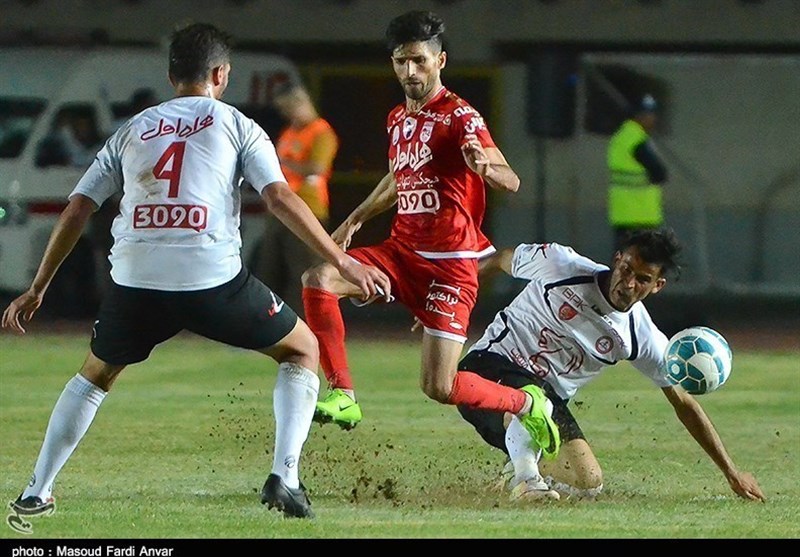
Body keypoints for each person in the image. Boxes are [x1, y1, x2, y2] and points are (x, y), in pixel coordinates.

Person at [1, 22, 390, 520]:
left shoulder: (134, 128)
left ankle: (37, 490)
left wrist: (37, 287)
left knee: (95, 375)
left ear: (171, 77)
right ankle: (285, 479)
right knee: (302, 348)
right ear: (221, 74)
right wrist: (342, 260)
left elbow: (78, 207)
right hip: (211, 281)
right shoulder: (237, 124)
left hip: (136, 280)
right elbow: (278, 197)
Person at [300, 10, 559, 460]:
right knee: (319, 279)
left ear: (440, 61)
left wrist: (485, 167)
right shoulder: (397, 118)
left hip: (450, 268)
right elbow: (398, 179)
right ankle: (343, 394)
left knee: (439, 386)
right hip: (401, 254)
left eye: (419, 60)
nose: (410, 71)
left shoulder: (461, 116)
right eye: (401, 61)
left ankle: (526, 402)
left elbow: (511, 179)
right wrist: (354, 220)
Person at [456, 228, 766, 502]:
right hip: (489, 368)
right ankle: (527, 481)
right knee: (533, 405)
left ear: (657, 285)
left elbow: (684, 404)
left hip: (546, 402)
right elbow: (501, 259)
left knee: (588, 483)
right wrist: (452, 297)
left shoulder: (640, 335)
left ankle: (520, 460)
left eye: (642, 279)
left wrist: (731, 472)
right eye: (626, 269)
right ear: (617, 259)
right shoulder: (562, 265)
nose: (628, 283)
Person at [252, 82, 339, 315]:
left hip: (307, 210)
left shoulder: (321, 132)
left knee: (302, 271)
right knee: (268, 269)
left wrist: (281, 163)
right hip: (280, 211)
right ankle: (266, 321)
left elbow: (318, 168)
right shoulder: (289, 132)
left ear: (300, 103)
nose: (285, 114)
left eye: (287, 108)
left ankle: (302, 324)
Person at [607, 94, 668, 251]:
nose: (653, 119)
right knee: (644, 260)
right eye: (650, 114)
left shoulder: (621, 136)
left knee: (623, 260)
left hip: (623, 213)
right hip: (640, 214)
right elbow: (659, 173)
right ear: (639, 116)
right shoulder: (636, 139)